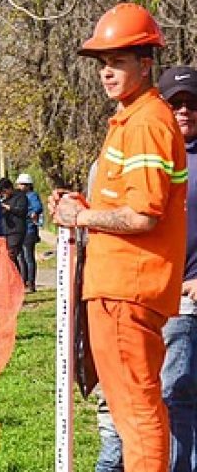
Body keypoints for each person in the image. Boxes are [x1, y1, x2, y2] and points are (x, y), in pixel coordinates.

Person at [51, 3, 186, 472]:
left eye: (118, 62)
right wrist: (84, 209)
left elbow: (145, 215)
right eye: (103, 63)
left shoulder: (147, 122)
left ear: (145, 64)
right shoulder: (132, 119)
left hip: (126, 291)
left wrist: (80, 219)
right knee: (134, 411)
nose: (107, 72)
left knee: (137, 412)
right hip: (119, 290)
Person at [96, 65, 197, 472]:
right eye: (177, 104)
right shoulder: (147, 140)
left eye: (193, 103)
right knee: (147, 396)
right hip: (157, 293)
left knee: (168, 398)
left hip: (169, 291)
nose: (185, 111)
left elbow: (143, 215)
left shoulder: (148, 131)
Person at [0, 177, 30, 286]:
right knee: (11, 257)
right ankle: (15, 279)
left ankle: (19, 280)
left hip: (17, 231)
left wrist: (8, 207)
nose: (3, 194)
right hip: (7, 230)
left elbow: (22, 211)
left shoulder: (20, 197)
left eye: (4, 192)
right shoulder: (5, 199)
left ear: (9, 188)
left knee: (12, 254)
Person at [16, 173, 44, 291]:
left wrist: (32, 213)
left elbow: (38, 207)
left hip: (29, 229)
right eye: (19, 184)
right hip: (21, 229)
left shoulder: (32, 196)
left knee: (28, 257)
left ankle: (31, 282)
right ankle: (23, 281)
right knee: (21, 257)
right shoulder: (19, 196)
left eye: (22, 184)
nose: (20, 186)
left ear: (28, 185)